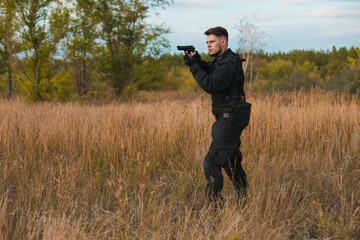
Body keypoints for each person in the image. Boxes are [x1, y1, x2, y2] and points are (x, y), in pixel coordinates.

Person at [183, 26, 248, 203]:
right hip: (227, 118)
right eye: (207, 43)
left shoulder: (229, 63)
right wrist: (195, 60)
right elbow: (208, 67)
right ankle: (244, 200)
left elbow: (211, 84)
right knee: (230, 161)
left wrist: (194, 67)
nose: (209, 45)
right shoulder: (221, 60)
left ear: (223, 42)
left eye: (212, 42)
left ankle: (214, 208)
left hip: (230, 119)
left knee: (211, 162)